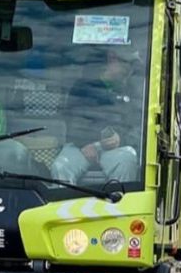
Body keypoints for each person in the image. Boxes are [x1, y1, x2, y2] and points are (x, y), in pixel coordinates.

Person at [52, 46, 141, 185]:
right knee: (61, 166)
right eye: (126, 63)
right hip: (80, 146)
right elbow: (73, 122)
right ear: (112, 59)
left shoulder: (130, 91)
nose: (129, 69)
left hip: (115, 149)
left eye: (132, 65)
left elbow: (136, 126)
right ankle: (62, 206)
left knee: (127, 159)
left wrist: (121, 138)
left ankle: (119, 203)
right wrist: (88, 143)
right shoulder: (83, 87)